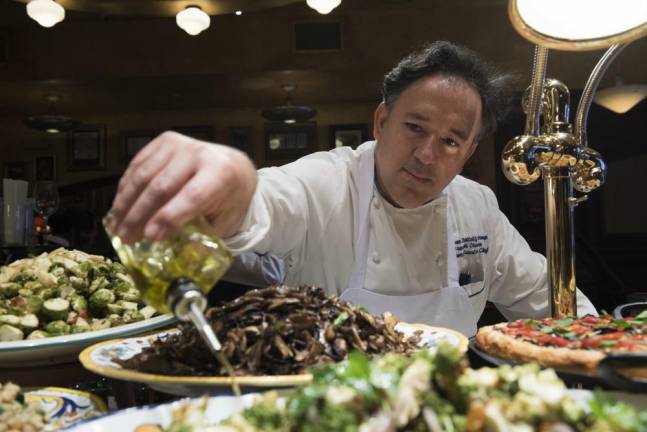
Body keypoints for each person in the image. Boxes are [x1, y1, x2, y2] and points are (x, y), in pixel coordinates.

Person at [110, 41, 596, 336]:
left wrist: (610, 355)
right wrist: (234, 186)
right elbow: (269, 203)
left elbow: (548, 300)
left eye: (450, 141)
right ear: (381, 122)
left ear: (469, 153)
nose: (428, 154)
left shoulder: (478, 208)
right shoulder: (326, 182)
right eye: (414, 128)